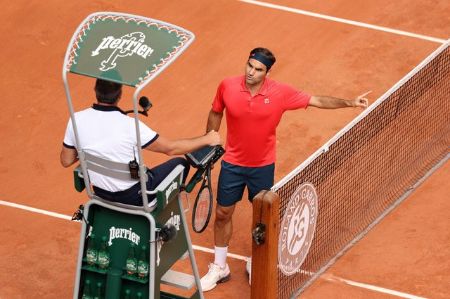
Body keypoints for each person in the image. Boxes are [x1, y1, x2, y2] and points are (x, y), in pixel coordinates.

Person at [200, 47, 370, 291]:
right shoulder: (227, 86)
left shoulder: (280, 93)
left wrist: (350, 102)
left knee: (262, 219)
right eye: (249, 65)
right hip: (233, 164)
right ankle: (219, 266)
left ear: (267, 72)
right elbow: (216, 111)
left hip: (262, 166)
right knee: (223, 213)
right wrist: (209, 144)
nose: (251, 72)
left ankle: (255, 262)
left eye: (258, 69)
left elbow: (317, 100)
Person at [60, 78, 221, 206]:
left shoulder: (77, 119)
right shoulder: (131, 125)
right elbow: (170, 149)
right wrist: (207, 139)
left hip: (100, 193)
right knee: (181, 164)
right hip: (134, 197)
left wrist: (92, 148)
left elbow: (66, 160)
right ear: (119, 95)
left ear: (95, 91)